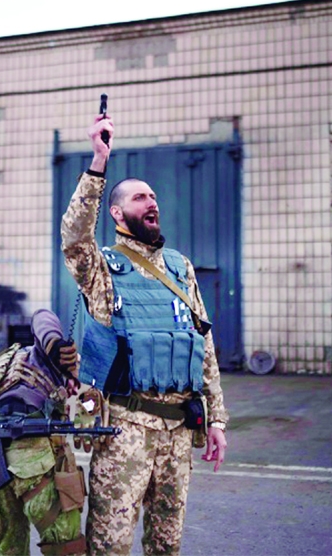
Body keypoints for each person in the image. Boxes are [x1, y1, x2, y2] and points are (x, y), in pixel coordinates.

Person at [61, 112, 229, 555]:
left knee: (166, 545)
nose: (150, 202)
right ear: (117, 212)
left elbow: (202, 345)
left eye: (153, 196)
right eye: (139, 198)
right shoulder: (102, 268)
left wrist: (216, 420)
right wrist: (98, 161)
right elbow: (74, 237)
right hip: (124, 432)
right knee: (110, 545)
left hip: (177, 431)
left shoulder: (180, 266)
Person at [0, 309, 86, 556]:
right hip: (33, 462)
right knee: (66, 548)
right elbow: (44, 316)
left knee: (9, 547)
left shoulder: (4, 366)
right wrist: (55, 345)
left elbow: (41, 318)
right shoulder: (50, 358)